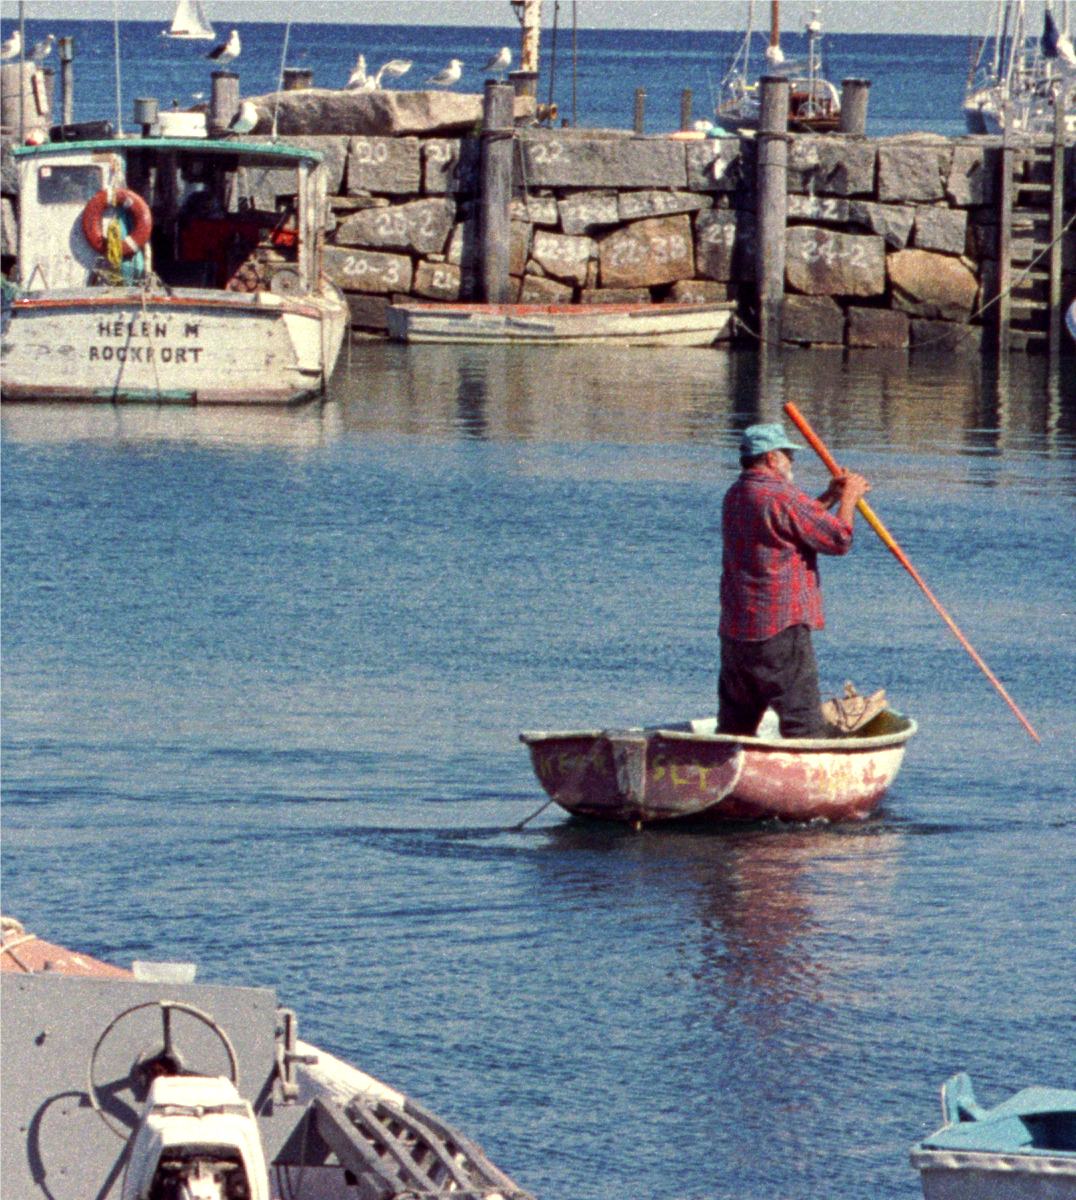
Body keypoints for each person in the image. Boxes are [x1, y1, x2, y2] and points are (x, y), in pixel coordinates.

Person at [718, 421, 870, 738]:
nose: (792, 461)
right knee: (803, 725)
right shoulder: (781, 495)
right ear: (772, 458)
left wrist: (829, 495)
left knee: (735, 727)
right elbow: (838, 539)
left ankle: (731, 774)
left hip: (738, 631)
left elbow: (795, 522)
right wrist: (850, 499)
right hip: (780, 629)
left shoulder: (736, 494)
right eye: (788, 454)